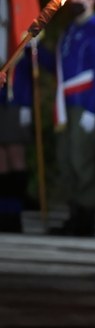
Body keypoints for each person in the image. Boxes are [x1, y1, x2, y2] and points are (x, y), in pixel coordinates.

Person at [49, 0, 95, 237]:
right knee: (66, 160)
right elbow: (58, 68)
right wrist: (37, 49)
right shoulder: (69, 30)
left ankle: (86, 219)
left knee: (81, 161)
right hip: (66, 104)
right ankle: (74, 215)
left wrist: (90, 109)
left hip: (84, 103)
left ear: (92, 0)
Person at [0, 51, 33, 232]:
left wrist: (25, 102)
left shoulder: (19, 33)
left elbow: (27, 68)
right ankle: (4, 212)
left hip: (15, 100)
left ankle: (15, 214)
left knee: (15, 154)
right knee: (1, 158)